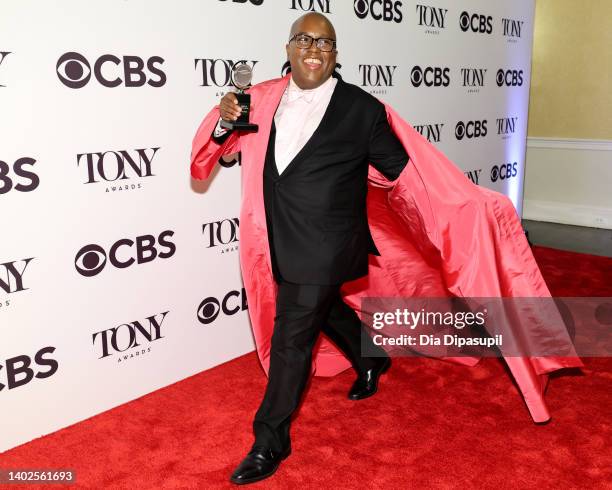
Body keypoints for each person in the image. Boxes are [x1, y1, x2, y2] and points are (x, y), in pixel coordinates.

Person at [191, 11, 582, 487]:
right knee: (325, 308)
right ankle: (372, 357)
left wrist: (469, 204)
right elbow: (222, 150)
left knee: (293, 337)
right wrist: (221, 123)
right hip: (274, 238)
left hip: (328, 243)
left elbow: (407, 173)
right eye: (304, 40)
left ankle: (269, 439)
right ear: (288, 48)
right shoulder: (260, 98)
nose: (314, 49)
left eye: (326, 43)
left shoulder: (362, 109)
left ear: (336, 56)